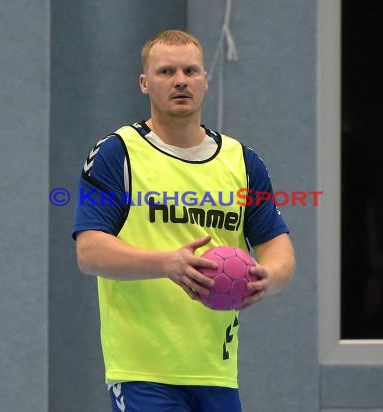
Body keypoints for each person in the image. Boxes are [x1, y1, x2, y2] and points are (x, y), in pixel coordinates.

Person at [72, 29, 295, 412]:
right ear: (144, 83)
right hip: (144, 370)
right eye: (166, 72)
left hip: (217, 371)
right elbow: (89, 250)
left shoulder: (242, 162)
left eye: (191, 70)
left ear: (206, 81)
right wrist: (167, 263)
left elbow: (279, 248)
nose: (180, 80)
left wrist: (268, 277)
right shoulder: (118, 153)